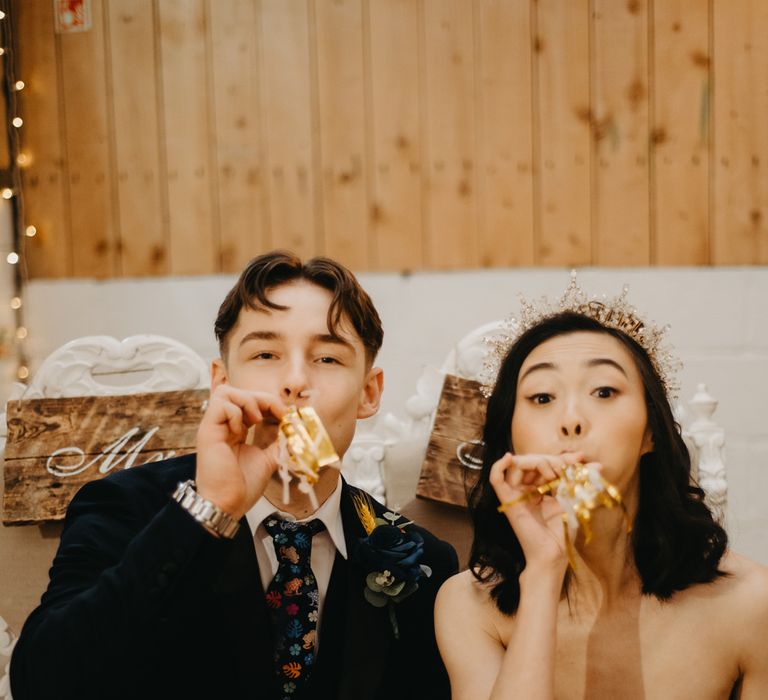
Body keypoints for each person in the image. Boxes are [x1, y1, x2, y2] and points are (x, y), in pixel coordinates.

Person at [11, 251, 458, 700]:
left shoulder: (423, 560)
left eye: (327, 359)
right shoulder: (123, 508)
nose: (295, 380)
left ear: (369, 392)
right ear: (221, 383)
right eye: (266, 353)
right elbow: (44, 682)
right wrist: (210, 510)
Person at [435, 275, 768, 699]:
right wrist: (544, 570)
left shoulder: (750, 602)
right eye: (542, 397)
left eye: (604, 391)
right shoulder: (468, 607)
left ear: (651, 433)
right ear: (510, 439)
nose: (572, 419)